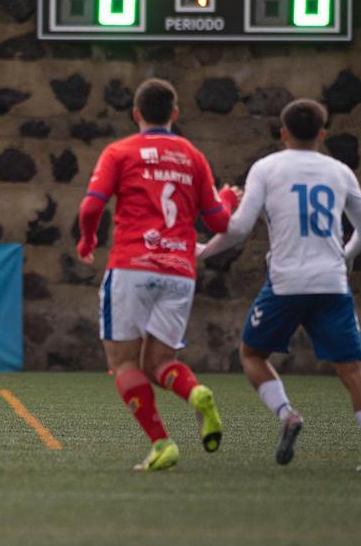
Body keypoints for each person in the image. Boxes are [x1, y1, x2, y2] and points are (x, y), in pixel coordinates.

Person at [197, 98, 361, 472]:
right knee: (353, 371)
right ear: (322, 133)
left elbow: (238, 229)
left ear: (282, 133)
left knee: (252, 354)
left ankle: (287, 414)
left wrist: (204, 251)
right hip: (331, 284)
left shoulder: (266, 168)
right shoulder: (340, 171)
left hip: (286, 284)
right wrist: (344, 256)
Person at [77, 78, 238, 471]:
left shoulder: (120, 151)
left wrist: (88, 240)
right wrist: (228, 198)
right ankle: (195, 392)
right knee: (160, 361)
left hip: (132, 266)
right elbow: (219, 222)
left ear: (136, 114)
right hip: (179, 271)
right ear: (175, 114)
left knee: (124, 363)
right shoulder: (193, 156)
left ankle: (162, 443)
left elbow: (91, 206)